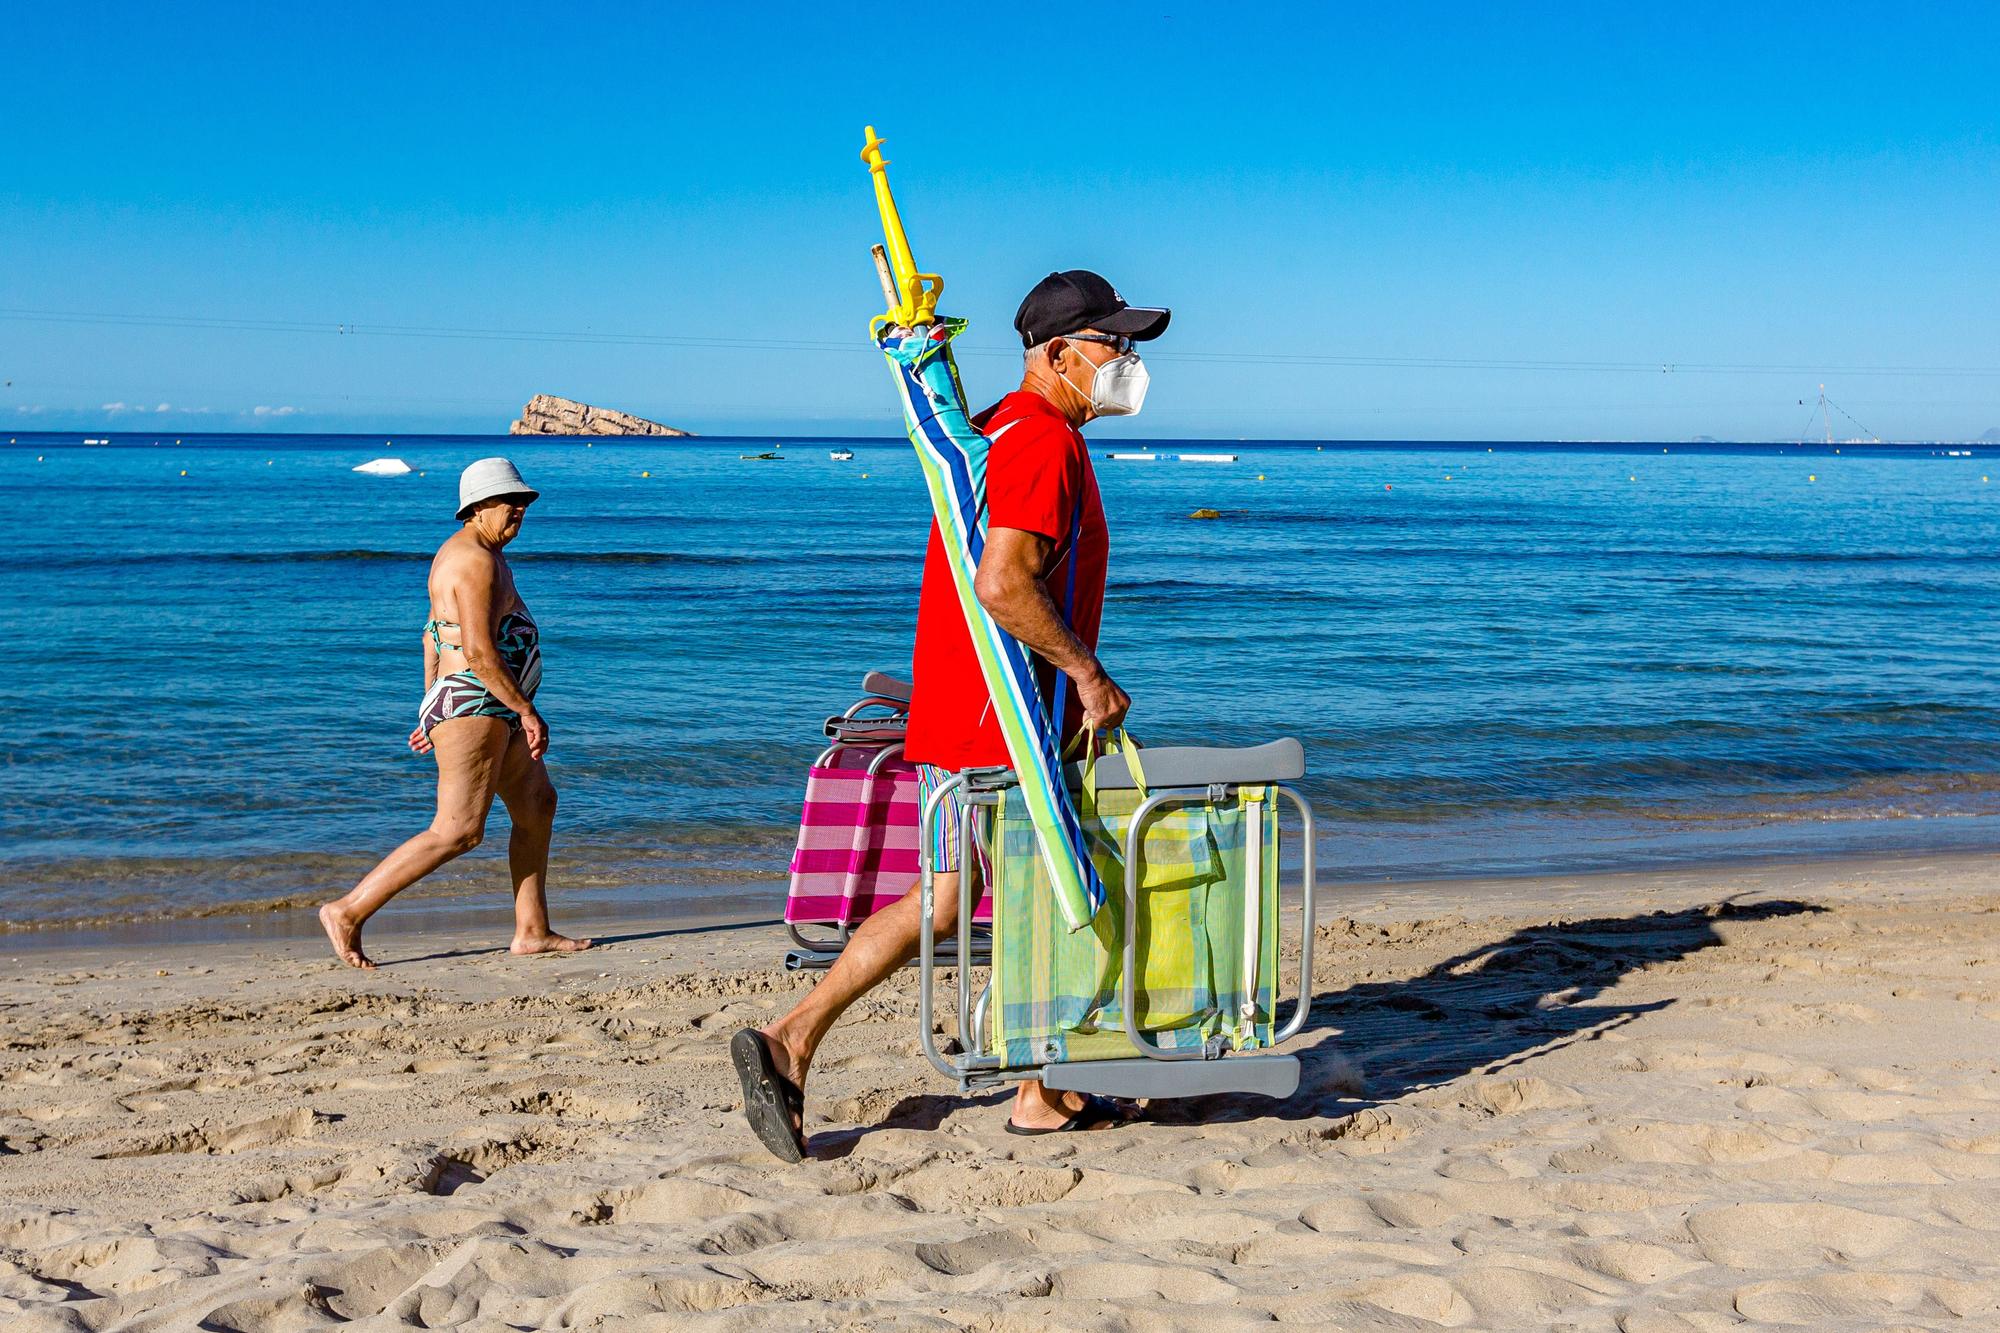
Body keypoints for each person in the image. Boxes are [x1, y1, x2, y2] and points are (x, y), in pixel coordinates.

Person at [733, 270, 1168, 1160]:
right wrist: (1087, 674)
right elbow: (1004, 582)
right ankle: (1041, 1087)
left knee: (946, 900)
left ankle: (793, 1037)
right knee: (1044, 895)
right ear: (1058, 353)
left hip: (960, 719)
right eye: (1111, 343)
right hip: (996, 729)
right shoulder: (1042, 443)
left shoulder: (1000, 429)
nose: (1124, 361)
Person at [318, 457, 592, 968]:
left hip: (483, 703)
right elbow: (479, 652)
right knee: (459, 829)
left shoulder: (483, 554)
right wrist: (526, 711)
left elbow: (431, 634)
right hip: (478, 703)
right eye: (510, 501)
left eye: (525, 502)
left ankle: (531, 930)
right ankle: (347, 911)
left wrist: (427, 705)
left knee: (537, 805)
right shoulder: (473, 561)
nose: (520, 510)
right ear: (478, 507)